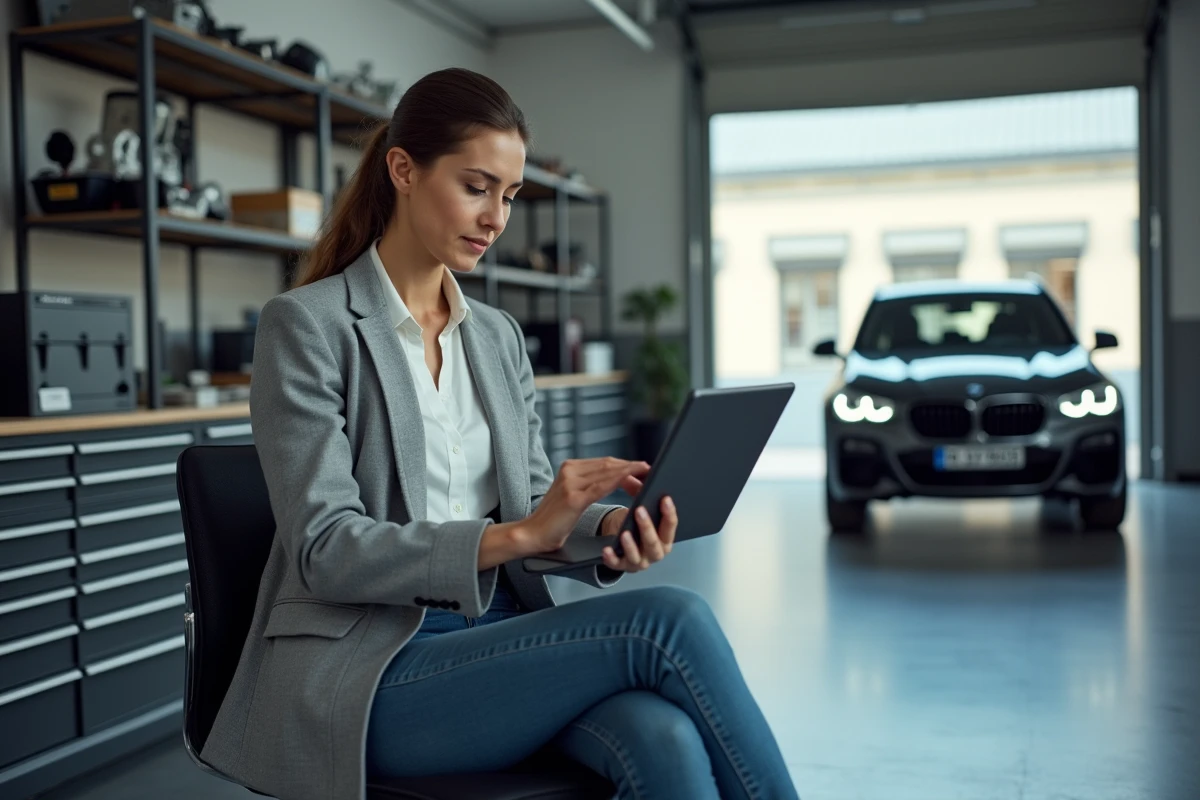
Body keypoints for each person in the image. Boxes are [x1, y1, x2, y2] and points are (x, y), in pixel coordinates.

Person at [198, 67, 799, 800]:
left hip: (497, 636)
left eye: (509, 196)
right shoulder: (307, 327)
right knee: (670, 621)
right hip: (372, 670)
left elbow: (533, 507)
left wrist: (610, 527)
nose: (496, 219)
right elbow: (326, 550)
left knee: (661, 737)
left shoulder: (497, 337)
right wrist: (516, 537)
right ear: (403, 171)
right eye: (477, 187)